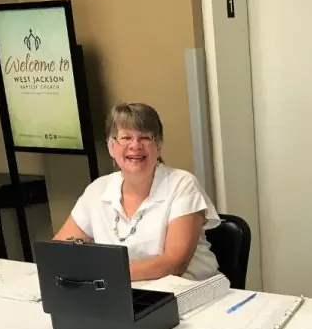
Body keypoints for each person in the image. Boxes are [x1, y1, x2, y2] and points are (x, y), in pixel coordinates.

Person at [54, 102, 219, 281]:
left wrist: (101, 274)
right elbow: (58, 252)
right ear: (111, 147)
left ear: (158, 146)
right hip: (121, 291)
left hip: (190, 290)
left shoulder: (182, 184)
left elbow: (174, 264)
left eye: (145, 138)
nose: (135, 145)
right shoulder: (98, 189)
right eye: (125, 137)